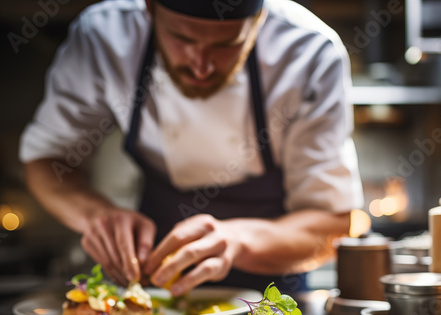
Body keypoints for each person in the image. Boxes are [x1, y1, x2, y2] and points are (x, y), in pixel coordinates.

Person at [20, 0, 364, 296]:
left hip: (271, 294)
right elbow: (47, 159)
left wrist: (238, 241)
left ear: (258, 21)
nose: (201, 65)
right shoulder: (103, 35)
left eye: (226, 44)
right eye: (181, 39)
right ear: (149, 8)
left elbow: (332, 225)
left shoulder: (309, 52)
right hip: (157, 286)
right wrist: (95, 213)